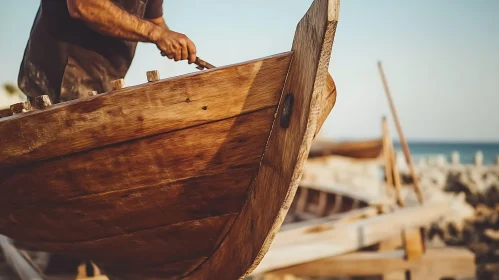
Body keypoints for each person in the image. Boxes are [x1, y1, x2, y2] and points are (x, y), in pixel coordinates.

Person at [18, 0, 197, 103]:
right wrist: (156, 34)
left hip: (104, 80)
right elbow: (83, 5)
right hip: (61, 71)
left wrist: (173, 39)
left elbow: (154, 21)